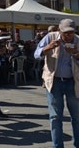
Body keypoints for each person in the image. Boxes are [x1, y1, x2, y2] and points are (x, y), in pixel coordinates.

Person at [34, 18, 79, 148]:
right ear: (60, 30)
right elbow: (36, 54)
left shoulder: (78, 40)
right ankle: (57, 146)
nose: (69, 35)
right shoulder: (50, 37)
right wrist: (49, 47)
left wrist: (76, 54)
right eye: (66, 33)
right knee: (55, 117)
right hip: (54, 82)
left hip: (73, 82)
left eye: (71, 32)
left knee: (76, 117)